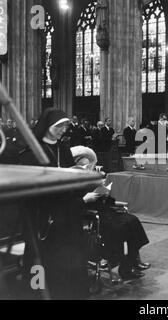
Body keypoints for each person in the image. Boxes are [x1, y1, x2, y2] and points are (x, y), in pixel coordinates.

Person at [19, 108, 89, 299]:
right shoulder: (31, 152)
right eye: (59, 126)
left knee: (67, 260)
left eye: (65, 125)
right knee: (40, 260)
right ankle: (37, 294)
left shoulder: (64, 148)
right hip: (42, 216)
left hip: (65, 216)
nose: (63, 129)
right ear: (47, 126)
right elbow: (28, 187)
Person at [71, 146, 151, 281]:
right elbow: (74, 202)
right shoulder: (72, 180)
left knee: (133, 221)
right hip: (91, 214)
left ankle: (132, 261)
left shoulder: (91, 178)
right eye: (84, 165)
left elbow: (103, 198)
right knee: (121, 228)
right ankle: (125, 266)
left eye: (88, 165)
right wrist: (86, 199)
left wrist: (104, 191)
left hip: (105, 210)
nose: (88, 167)